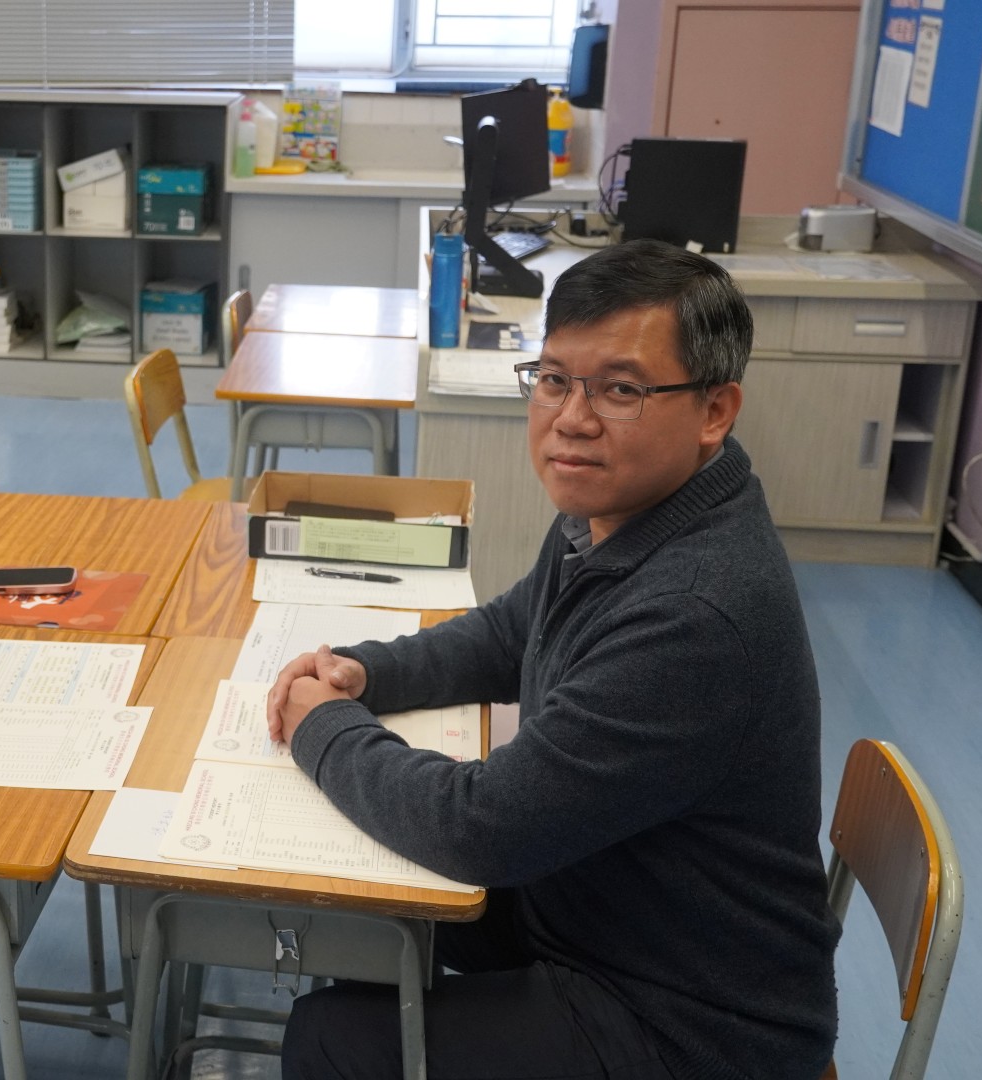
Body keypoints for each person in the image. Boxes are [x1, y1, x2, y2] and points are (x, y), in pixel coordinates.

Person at [266, 239, 840, 1080]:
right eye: (553, 379)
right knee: (358, 914)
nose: (571, 417)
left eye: (620, 389)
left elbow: (482, 829)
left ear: (714, 411)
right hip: (599, 906)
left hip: (687, 1022)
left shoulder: (695, 615)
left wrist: (323, 728)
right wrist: (370, 672)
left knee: (331, 1037)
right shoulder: (627, 505)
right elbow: (513, 632)